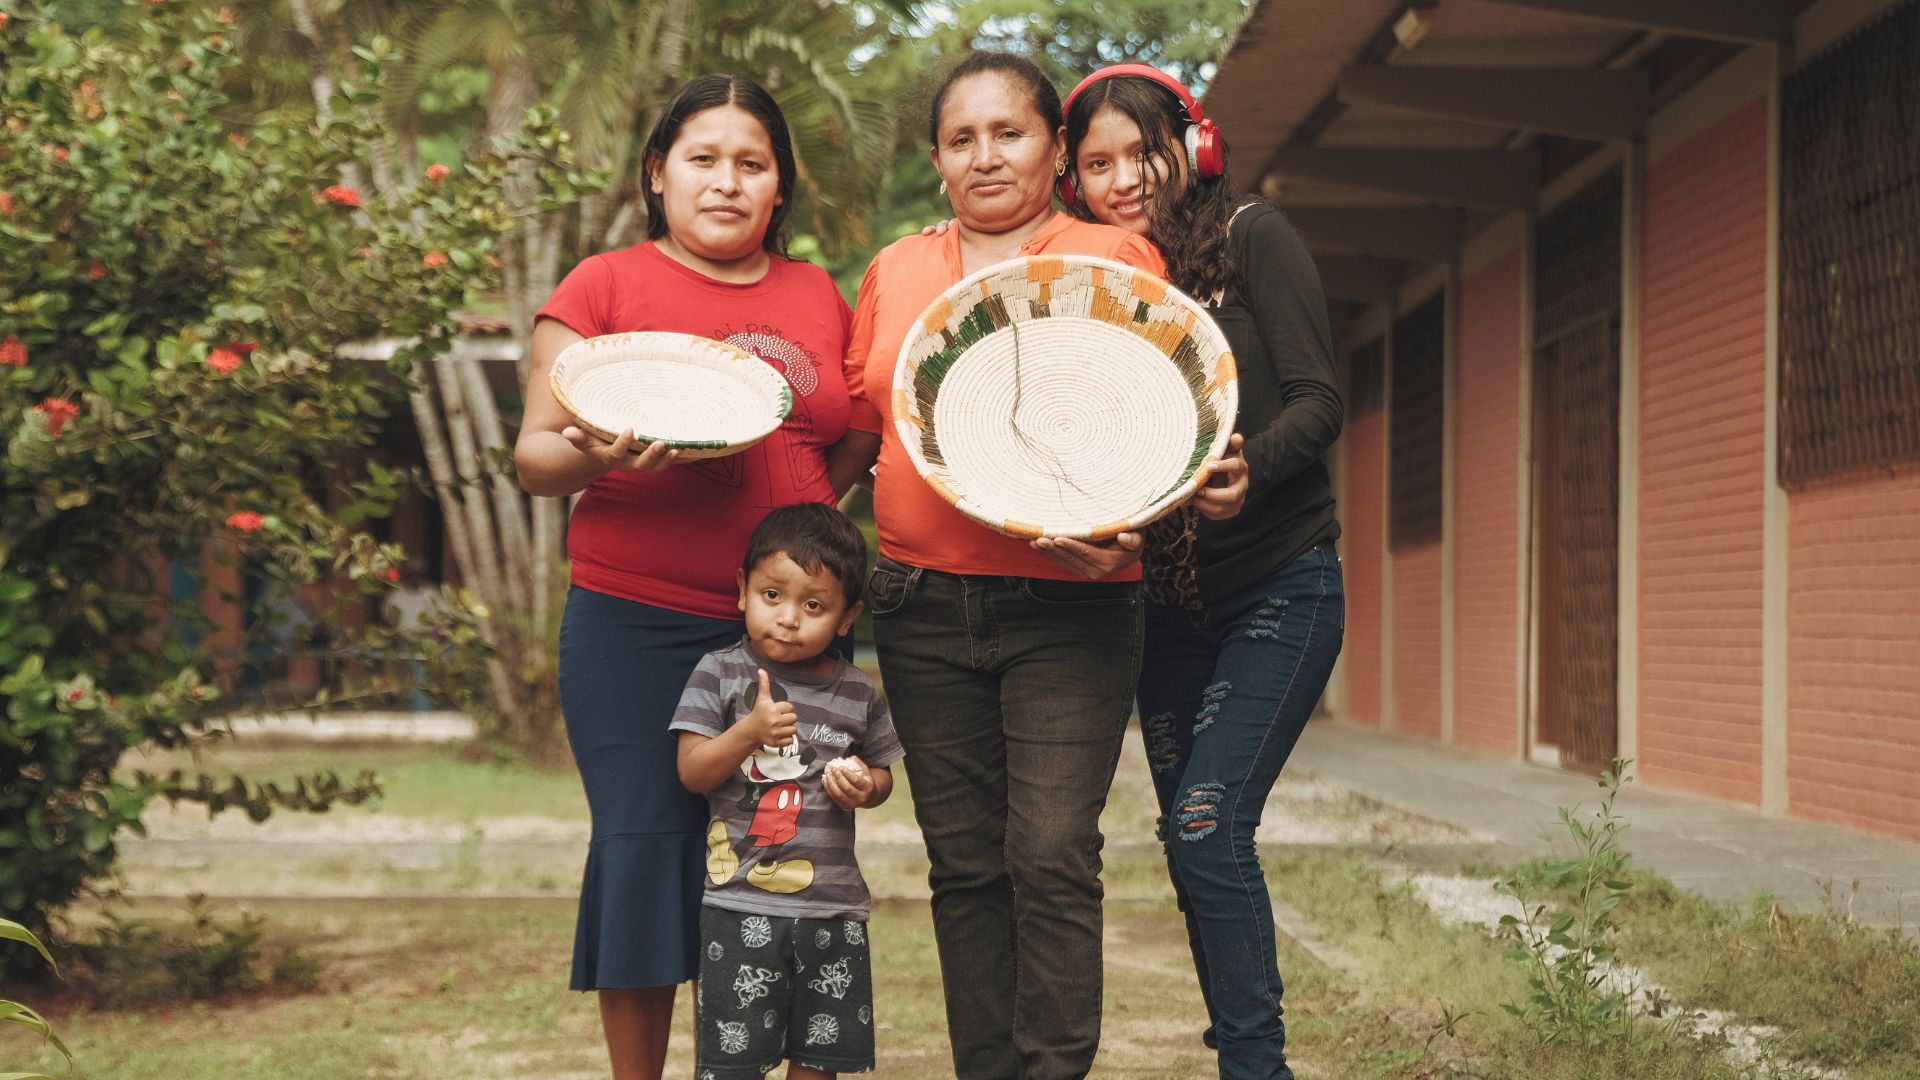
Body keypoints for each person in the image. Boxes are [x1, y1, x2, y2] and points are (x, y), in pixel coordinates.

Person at [826, 51, 1245, 1080]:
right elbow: (859, 433)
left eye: (1008, 133)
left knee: (1051, 853)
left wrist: (1135, 518)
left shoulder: (1116, 257)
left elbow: (1151, 424)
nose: (985, 157)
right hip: (919, 608)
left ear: (1054, 148)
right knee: (965, 868)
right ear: (937, 160)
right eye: (961, 140)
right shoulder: (895, 271)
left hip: (1074, 606)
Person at [513, 74, 855, 1080]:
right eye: (703, 159)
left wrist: (805, 539)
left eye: (753, 164)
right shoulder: (601, 287)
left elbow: (845, 442)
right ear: (657, 173)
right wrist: (607, 457)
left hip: (784, 640)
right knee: (643, 849)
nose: (727, 182)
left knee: (787, 862)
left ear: (779, 188)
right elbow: (536, 457)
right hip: (632, 625)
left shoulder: (817, 295)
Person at [1062, 65, 1346, 1080]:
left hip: (1283, 581)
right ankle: (1242, 1050)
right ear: (1075, 182)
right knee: (1194, 851)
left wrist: (1249, 468)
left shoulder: (1252, 237)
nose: (1125, 177)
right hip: (1169, 610)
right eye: (1098, 163)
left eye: (1143, 151)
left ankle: (1256, 1066)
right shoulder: (1097, 286)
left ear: (1197, 145)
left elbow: (1319, 398)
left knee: (1206, 819)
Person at [672, 503, 903, 1080]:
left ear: (847, 618)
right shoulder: (719, 673)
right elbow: (693, 771)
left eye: (814, 605)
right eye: (771, 595)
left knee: (820, 1055)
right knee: (732, 1061)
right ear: (742, 590)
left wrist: (864, 787)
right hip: (739, 903)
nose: (789, 618)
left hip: (833, 906)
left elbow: (883, 776)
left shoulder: (856, 691)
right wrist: (748, 731)